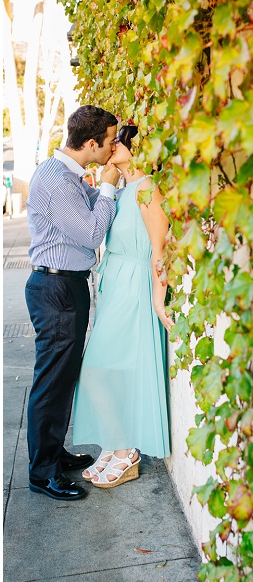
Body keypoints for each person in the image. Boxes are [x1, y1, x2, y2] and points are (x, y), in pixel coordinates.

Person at [25, 105, 120, 501]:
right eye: (111, 141)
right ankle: (42, 472)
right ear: (92, 143)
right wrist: (112, 186)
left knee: (61, 377)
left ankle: (52, 454)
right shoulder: (62, 182)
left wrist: (113, 185)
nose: (113, 147)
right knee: (52, 381)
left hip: (61, 286)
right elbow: (90, 232)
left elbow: (90, 204)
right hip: (57, 289)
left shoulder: (63, 172)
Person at [72, 126, 174, 488]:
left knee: (102, 367)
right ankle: (115, 445)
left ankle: (127, 449)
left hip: (134, 286)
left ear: (139, 149)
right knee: (107, 370)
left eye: (121, 140)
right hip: (115, 284)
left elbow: (158, 250)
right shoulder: (125, 189)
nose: (113, 144)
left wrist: (158, 300)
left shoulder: (146, 188)